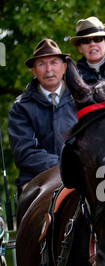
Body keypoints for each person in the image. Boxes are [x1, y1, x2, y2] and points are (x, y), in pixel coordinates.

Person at [8, 38, 78, 192]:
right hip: (36, 179)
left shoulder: (82, 100)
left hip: (79, 174)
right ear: (33, 71)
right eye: (41, 64)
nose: (49, 69)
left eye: (54, 62)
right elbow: (24, 153)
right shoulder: (21, 108)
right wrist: (62, 165)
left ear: (64, 67)